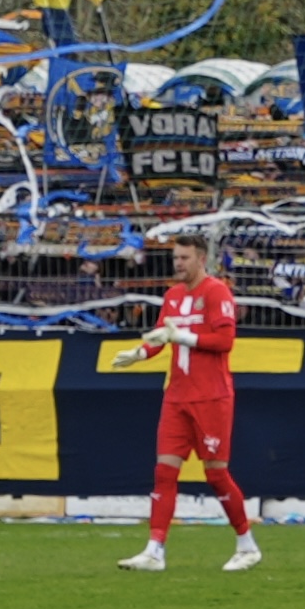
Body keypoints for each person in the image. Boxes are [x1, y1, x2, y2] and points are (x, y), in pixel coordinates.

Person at [119, 229, 260, 572]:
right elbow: (159, 337)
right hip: (177, 397)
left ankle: (247, 545)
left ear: (201, 258)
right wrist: (139, 352)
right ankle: (155, 551)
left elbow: (225, 340)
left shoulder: (216, 292)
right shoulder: (171, 296)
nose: (178, 264)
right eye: (175, 258)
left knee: (216, 475)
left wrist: (181, 335)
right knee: (164, 472)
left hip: (211, 397)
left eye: (184, 258)